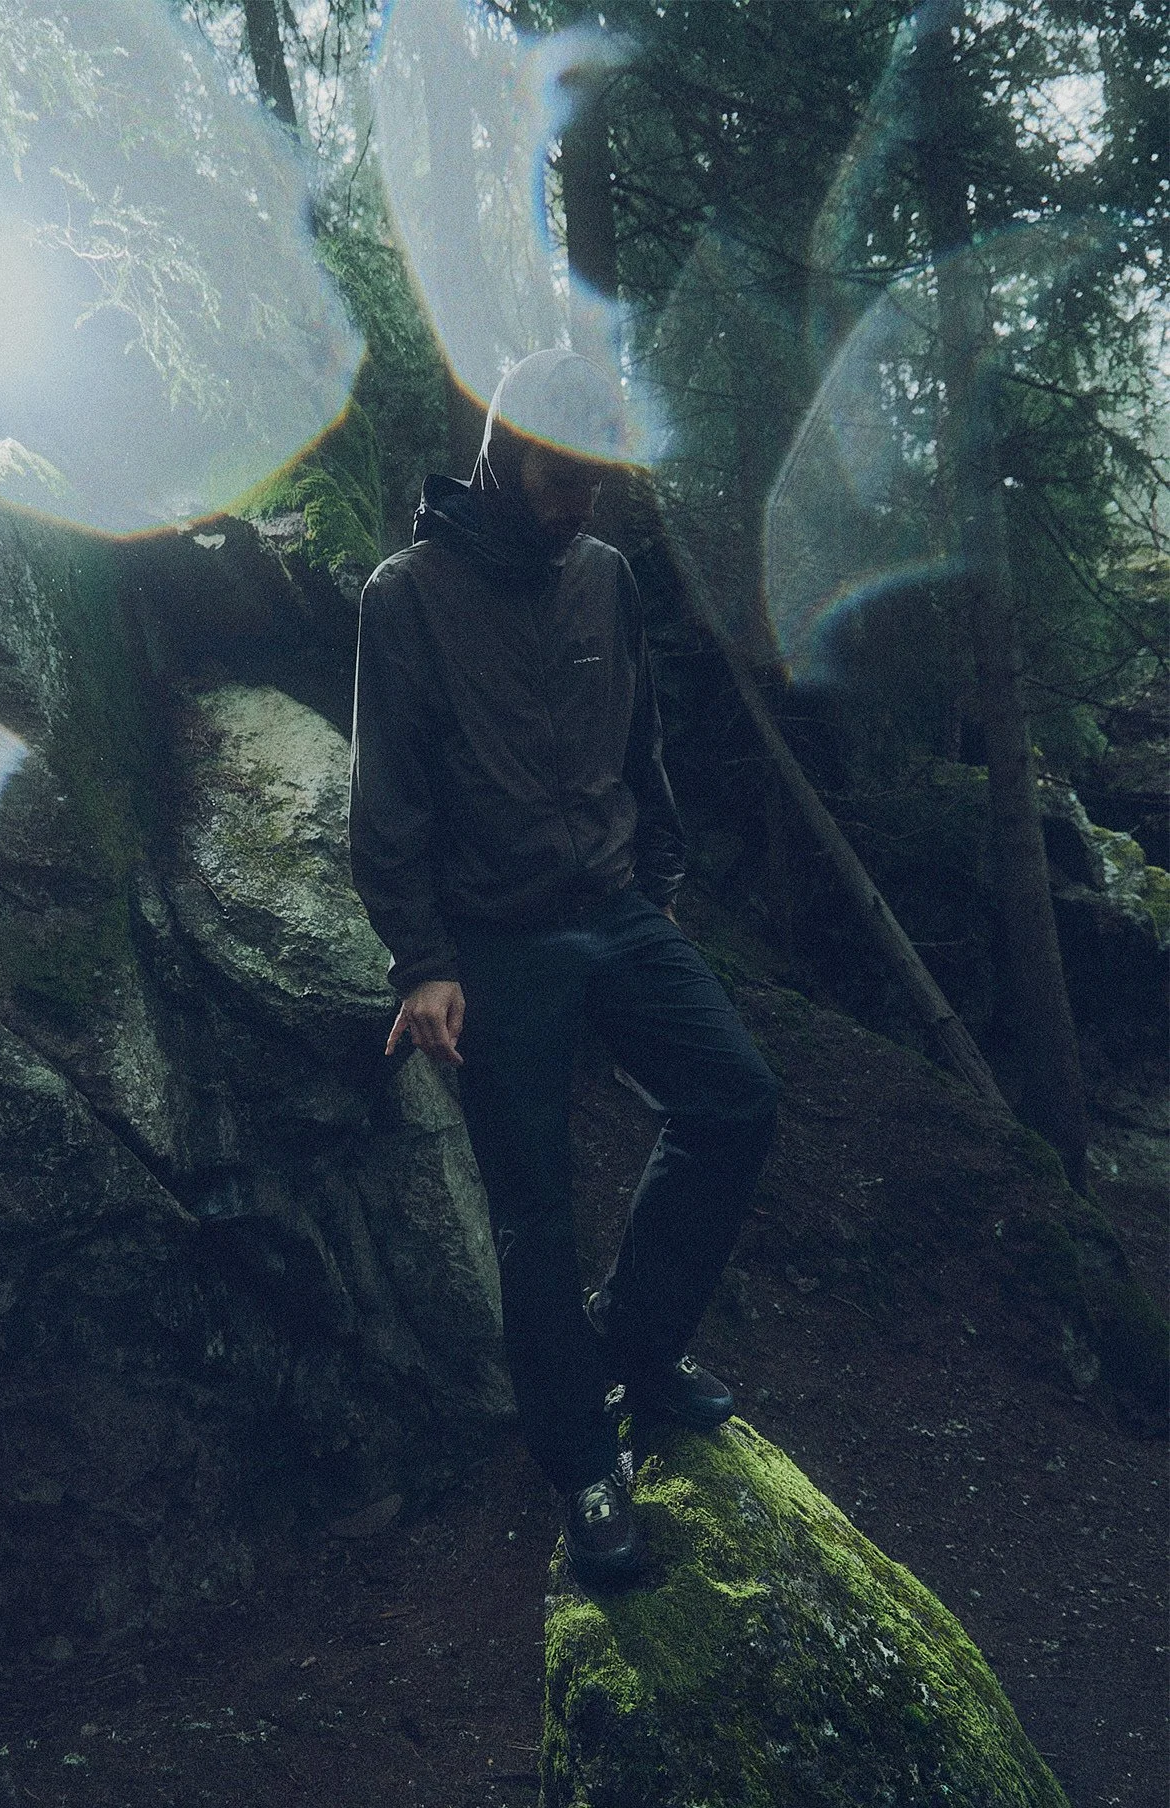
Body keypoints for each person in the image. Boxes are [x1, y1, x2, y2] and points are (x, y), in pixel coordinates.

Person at [348, 349, 778, 1588]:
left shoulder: (603, 577)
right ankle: (583, 1462)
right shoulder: (405, 595)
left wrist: (659, 879)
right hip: (493, 941)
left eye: (597, 478)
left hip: (616, 906)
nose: (579, 500)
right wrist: (421, 960)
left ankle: (634, 1347)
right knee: (536, 1213)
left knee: (735, 1098)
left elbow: (639, 740)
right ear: (501, 453)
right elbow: (387, 801)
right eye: (558, 474)